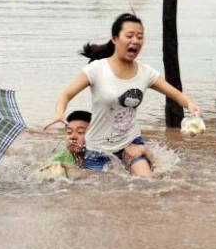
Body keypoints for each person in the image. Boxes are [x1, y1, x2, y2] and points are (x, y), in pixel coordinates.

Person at [44, 13, 201, 177]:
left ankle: (144, 152)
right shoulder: (96, 70)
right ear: (115, 38)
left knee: (148, 184)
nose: (135, 41)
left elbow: (175, 94)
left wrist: (191, 105)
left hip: (131, 144)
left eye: (140, 37)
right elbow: (66, 94)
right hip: (97, 150)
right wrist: (59, 113)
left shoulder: (146, 73)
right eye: (129, 36)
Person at [46, 110, 152, 168]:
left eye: (80, 132)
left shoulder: (107, 154)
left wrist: (144, 150)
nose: (72, 137)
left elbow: (157, 167)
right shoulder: (59, 158)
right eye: (69, 132)